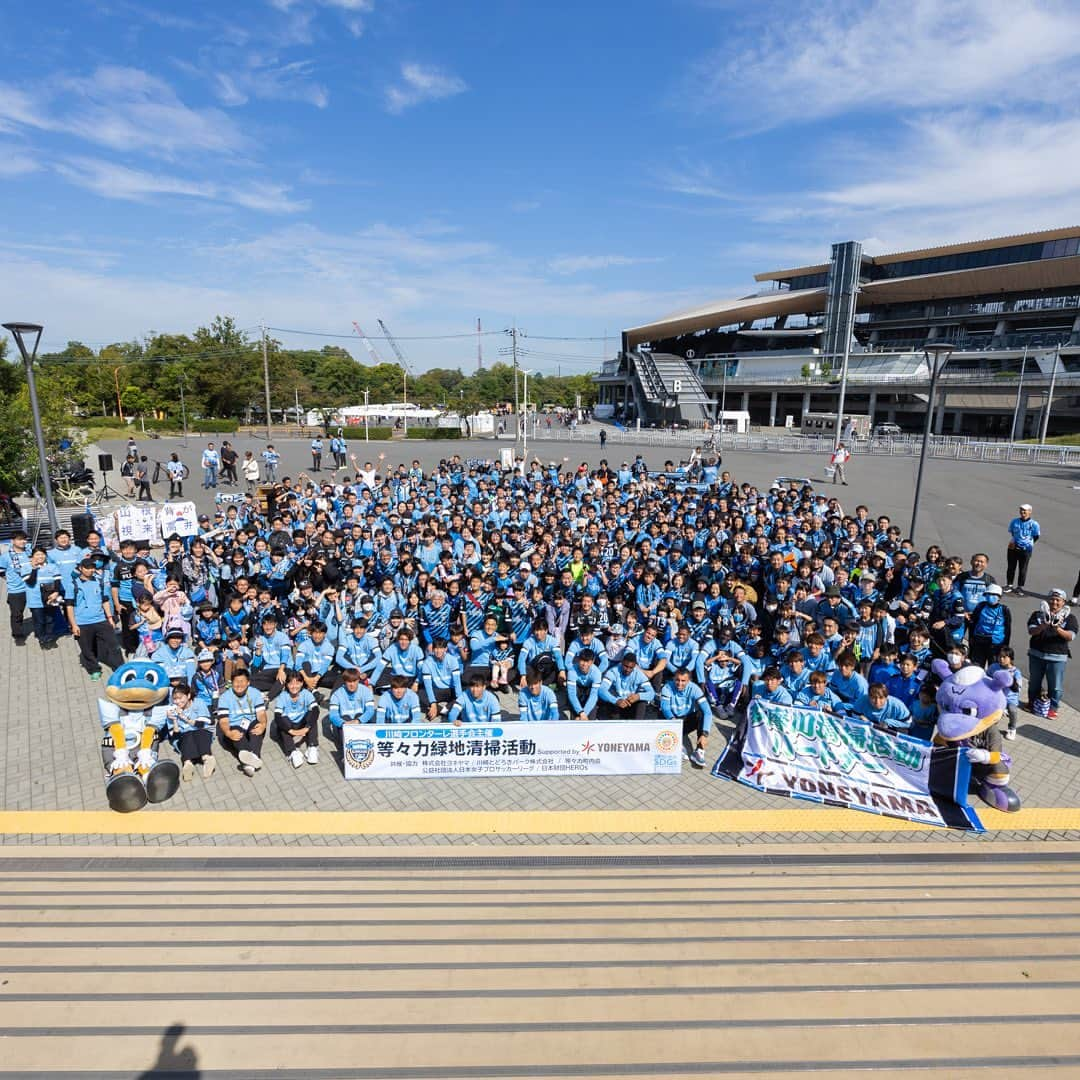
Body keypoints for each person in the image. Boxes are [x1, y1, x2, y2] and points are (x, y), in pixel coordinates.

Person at [66, 556, 123, 680]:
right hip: (82, 622)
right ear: (81, 568)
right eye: (87, 568)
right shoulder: (73, 585)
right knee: (87, 648)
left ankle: (120, 667)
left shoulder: (98, 582)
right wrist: (74, 625)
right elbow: (69, 606)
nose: (90, 570)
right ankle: (94, 669)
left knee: (114, 645)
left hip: (101, 620)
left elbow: (105, 601)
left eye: (92, 568)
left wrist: (110, 618)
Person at [1026, 589, 1077, 720]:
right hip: (1036, 654)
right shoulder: (1037, 614)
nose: (1054, 602)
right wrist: (1043, 626)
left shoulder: (1070, 618)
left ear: (1063, 602)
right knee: (1034, 682)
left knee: (1055, 685)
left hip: (1057, 657)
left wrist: (1057, 629)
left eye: (1058, 600)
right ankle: (1032, 703)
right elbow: (1031, 631)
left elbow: (1071, 636)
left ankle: (1053, 708)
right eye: (1052, 599)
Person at [217, 667, 268, 777]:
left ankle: (249, 762)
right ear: (231, 683)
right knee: (236, 733)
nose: (239, 685)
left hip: (251, 721)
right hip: (235, 724)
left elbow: (261, 714)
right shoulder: (225, 697)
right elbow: (224, 721)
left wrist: (263, 724)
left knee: (257, 727)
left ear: (248, 682)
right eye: (236, 682)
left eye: (242, 681)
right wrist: (228, 732)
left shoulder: (255, 693)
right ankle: (253, 758)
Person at [659, 668, 712, 767]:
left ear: (689, 681)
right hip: (672, 720)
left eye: (683, 681)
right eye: (677, 680)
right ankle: (678, 745)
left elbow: (708, 712)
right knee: (661, 713)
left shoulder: (695, 689)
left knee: (701, 714)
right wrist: (674, 724)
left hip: (686, 720)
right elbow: (665, 708)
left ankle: (699, 751)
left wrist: (705, 734)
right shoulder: (667, 687)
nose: (679, 683)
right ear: (674, 679)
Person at [166, 681, 216, 781]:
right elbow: (175, 736)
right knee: (186, 736)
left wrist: (183, 717)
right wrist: (174, 720)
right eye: (175, 699)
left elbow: (200, 724)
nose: (177, 701)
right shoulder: (171, 711)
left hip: (202, 731)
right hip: (185, 736)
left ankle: (207, 759)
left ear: (188, 696)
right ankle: (187, 764)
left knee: (198, 732)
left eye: (180, 698)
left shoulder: (198, 702)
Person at [274, 670, 320, 767]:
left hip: (302, 723)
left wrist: (306, 728)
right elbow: (277, 717)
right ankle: (292, 751)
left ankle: (312, 746)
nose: (294, 686)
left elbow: (316, 710)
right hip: (289, 725)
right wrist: (291, 731)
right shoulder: (283, 696)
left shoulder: (306, 693)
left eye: (297, 683)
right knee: (282, 720)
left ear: (302, 683)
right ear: (286, 685)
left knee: (312, 714)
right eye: (291, 683)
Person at [0, 530, 32, 645]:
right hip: (16, 590)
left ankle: (42, 631)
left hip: (31, 588)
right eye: (19, 539)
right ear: (12, 541)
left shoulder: (29, 552)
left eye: (24, 539)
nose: (23, 541)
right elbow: (1, 571)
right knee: (17, 614)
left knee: (38, 611)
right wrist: (10, 580)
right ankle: (17, 635)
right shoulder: (6, 556)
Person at [1005, 503, 1040, 595]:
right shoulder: (1014, 521)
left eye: (1025, 510)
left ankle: (1020, 587)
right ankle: (1009, 585)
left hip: (1026, 549)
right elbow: (1012, 532)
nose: (1023, 512)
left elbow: (1036, 536)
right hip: (1013, 547)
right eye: (1021, 510)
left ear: (1030, 512)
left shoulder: (1034, 524)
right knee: (1011, 567)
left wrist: (1028, 543)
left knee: (1023, 568)